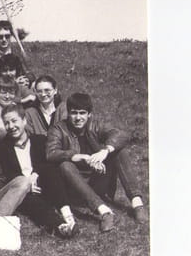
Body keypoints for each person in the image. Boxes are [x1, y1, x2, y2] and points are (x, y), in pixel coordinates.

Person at [46, 93, 148, 231]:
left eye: (82, 113)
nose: (78, 117)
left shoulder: (95, 125)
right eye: (74, 113)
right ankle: (104, 211)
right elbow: (51, 153)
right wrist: (75, 156)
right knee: (65, 165)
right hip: (76, 186)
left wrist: (105, 151)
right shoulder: (58, 129)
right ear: (68, 113)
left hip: (98, 178)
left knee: (119, 151)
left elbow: (121, 134)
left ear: (89, 114)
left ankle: (137, 204)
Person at [0, 104, 79, 238]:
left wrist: (35, 174)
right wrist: (27, 186)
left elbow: (46, 162)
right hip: (23, 191)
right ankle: (59, 226)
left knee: (51, 172)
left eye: (14, 121)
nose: (11, 126)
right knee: (33, 203)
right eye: (6, 123)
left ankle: (68, 215)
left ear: (24, 121)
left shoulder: (39, 140)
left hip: (43, 183)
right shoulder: (2, 148)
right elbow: (7, 174)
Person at [0, 20, 33, 86]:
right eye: (0, 37)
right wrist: (12, 82)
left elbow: (29, 73)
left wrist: (27, 80)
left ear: (11, 36)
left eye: (7, 36)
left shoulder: (18, 54)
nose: (4, 39)